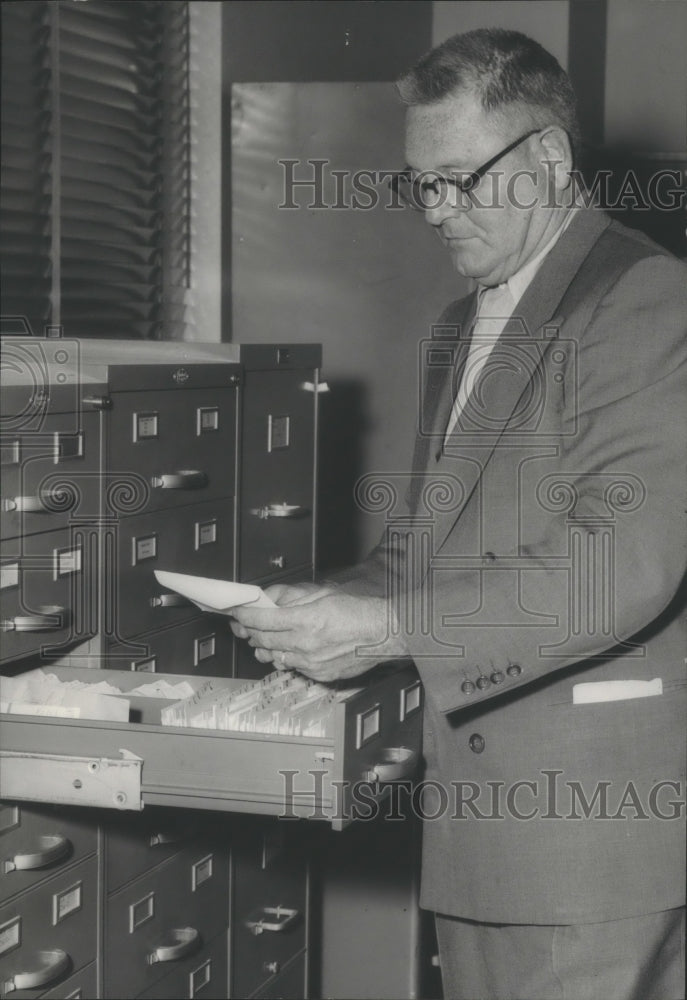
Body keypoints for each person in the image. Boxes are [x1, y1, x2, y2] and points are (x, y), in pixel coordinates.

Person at [230, 28, 687, 1000]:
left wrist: (390, 629)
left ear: (548, 161)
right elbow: (421, 547)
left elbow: (625, 561)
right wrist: (322, 600)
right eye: (418, 184)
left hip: (588, 845)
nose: (436, 211)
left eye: (458, 179)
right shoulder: (465, 322)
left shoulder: (644, 300)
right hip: (480, 830)